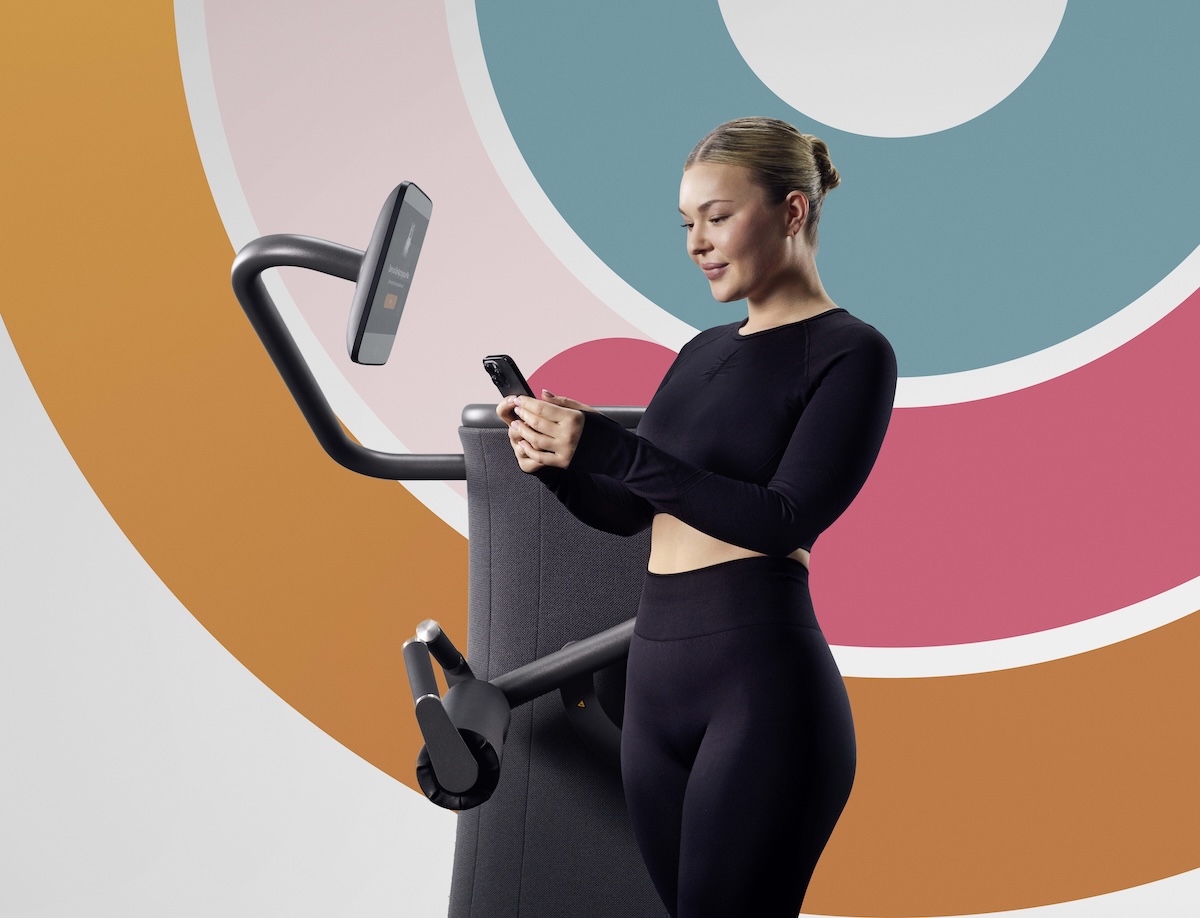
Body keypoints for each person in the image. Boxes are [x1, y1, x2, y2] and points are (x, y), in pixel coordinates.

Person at [498, 117, 897, 918]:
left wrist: (610, 448)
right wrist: (558, 464)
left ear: (791, 212)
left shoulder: (852, 352)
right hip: (657, 679)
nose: (697, 243)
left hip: (759, 686)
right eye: (687, 224)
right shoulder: (700, 352)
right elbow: (629, 514)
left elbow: (783, 516)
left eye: (717, 217)